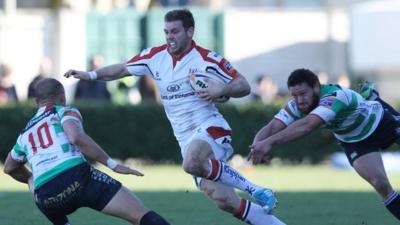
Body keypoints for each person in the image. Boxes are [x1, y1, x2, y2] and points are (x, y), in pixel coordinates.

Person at [64, 9, 285, 225]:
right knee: (225, 200)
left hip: (210, 127)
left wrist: (221, 90)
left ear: (190, 32)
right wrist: (90, 75)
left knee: (191, 163)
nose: (170, 37)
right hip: (185, 139)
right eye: (166, 32)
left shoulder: (207, 59)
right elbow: (121, 69)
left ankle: (256, 189)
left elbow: (243, 85)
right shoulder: (154, 56)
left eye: (175, 31)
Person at [3, 78, 170, 225]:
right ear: (62, 97)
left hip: (46, 197)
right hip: (76, 177)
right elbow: (76, 137)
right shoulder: (64, 111)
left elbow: (9, 167)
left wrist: (32, 179)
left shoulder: (25, 133)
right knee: (140, 215)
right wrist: (112, 164)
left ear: (36, 101)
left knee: (42, 190)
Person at [249, 68, 400, 220]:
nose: (299, 100)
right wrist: (256, 146)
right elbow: (273, 126)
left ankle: (370, 97)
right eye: (294, 95)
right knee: (380, 184)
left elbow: (308, 125)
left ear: (316, 86)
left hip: (381, 120)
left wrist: (269, 142)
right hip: (355, 141)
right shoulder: (297, 105)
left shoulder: (334, 96)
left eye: (302, 93)